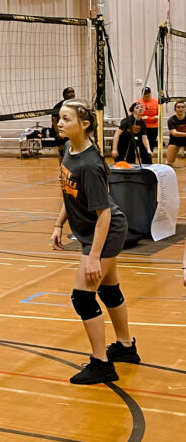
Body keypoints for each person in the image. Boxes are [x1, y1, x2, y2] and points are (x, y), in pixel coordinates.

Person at [52, 99, 138, 384]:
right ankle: (126, 347)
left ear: (84, 124)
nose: (60, 123)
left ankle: (101, 363)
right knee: (110, 290)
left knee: (83, 296)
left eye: (66, 119)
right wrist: (58, 223)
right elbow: (70, 192)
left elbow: (103, 215)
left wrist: (92, 257)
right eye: (59, 118)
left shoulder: (89, 163)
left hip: (106, 230)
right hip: (95, 231)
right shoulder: (69, 149)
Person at [52, 86, 76, 154]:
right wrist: (58, 132)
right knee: (62, 151)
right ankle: (62, 164)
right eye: (69, 92)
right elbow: (54, 120)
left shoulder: (75, 106)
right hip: (60, 129)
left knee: (71, 151)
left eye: (73, 92)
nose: (72, 94)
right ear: (64, 95)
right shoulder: (59, 106)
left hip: (70, 130)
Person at [165, 100, 186, 165]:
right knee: (169, 161)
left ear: (185, 109)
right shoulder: (171, 120)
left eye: (182, 107)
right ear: (175, 109)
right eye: (178, 107)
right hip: (175, 139)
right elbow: (174, 133)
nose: (180, 109)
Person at [139, 86, 159, 152]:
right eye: (145, 93)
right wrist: (141, 118)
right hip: (142, 126)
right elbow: (133, 114)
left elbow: (160, 114)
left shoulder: (156, 102)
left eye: (148, 93)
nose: (147, 95)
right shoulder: (138, 102)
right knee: (142, 144)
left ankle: (149, 155)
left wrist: (158, 116)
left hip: (154, 126)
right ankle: (144, 157)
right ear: (142, 94)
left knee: (152, 143)